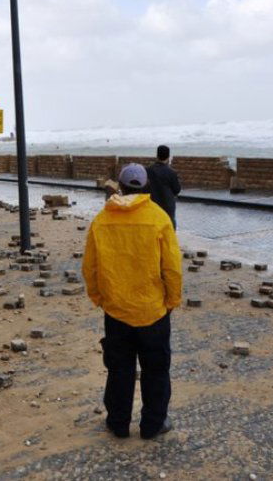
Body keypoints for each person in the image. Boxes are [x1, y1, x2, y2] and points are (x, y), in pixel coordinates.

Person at [82, 163, 183, 440]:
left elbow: (90, 267)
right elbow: (172, 267)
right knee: (156, 370)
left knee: (119, 370)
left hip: (116, 311)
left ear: (121, 187)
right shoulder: (159, 218)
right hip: (153, 311)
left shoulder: (102, 220)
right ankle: (153, 425)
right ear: (146, 186)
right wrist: (172, 300)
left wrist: (99, 298)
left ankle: (118, 423)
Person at [145, 145, 181, 229]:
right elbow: (177, 189)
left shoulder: (147, 170)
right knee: (169, 228)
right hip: (167, 207)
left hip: (152, 205)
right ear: (168, 157)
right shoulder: (171, 172)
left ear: (157, 156)